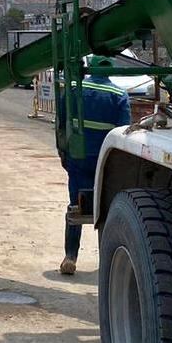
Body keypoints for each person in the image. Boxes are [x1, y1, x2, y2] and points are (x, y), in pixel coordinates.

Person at [57, 55, 131, 275]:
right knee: (106, 209)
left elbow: (61, 124)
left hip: (77, 157)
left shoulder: (72, 90)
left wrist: (63, 153)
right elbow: (123, 132)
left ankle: (70, 257)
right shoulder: (119, 95)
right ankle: (107, 263)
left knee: (76, 205)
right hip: (105, 161)